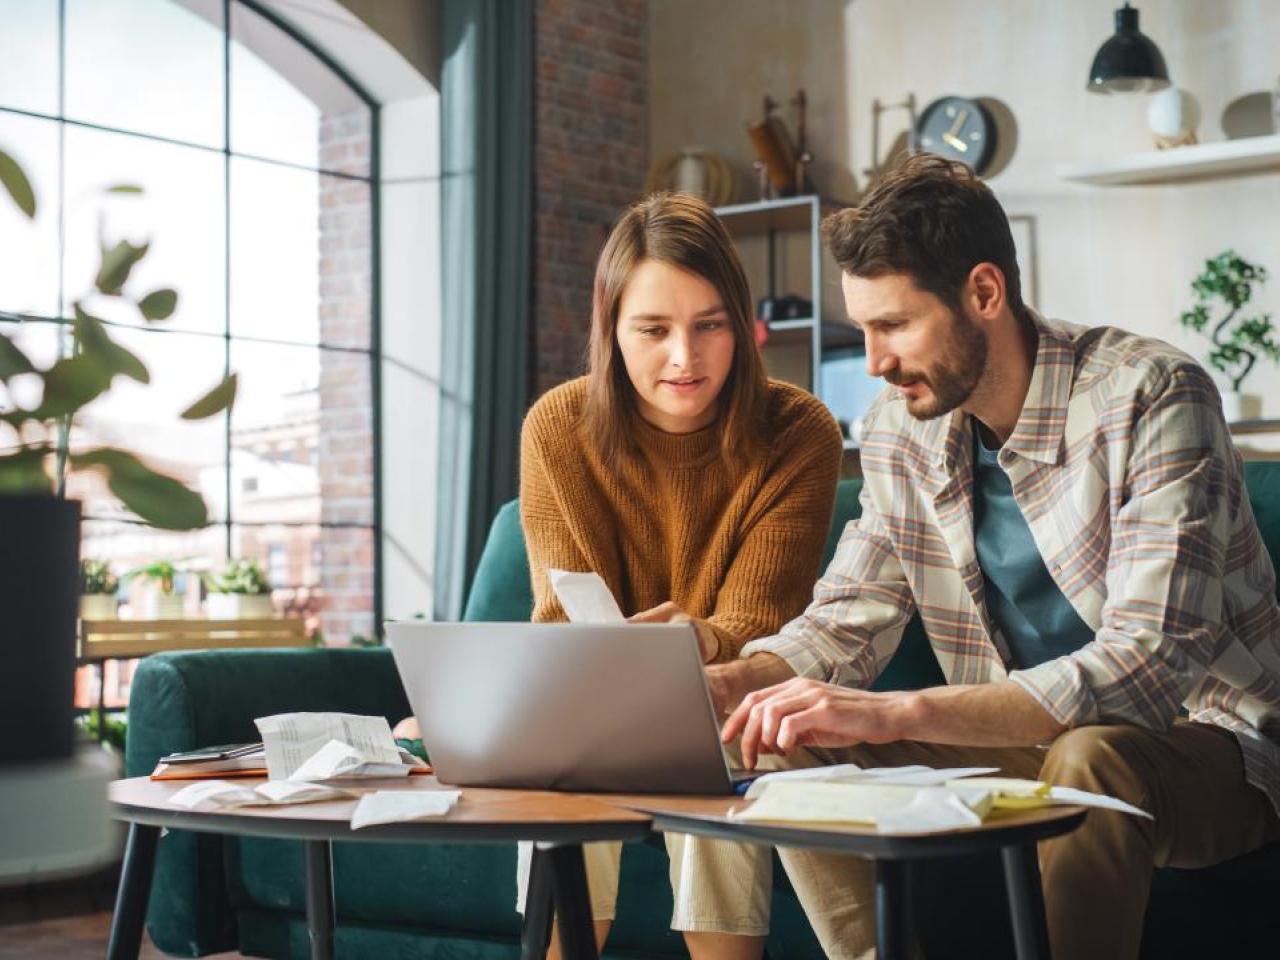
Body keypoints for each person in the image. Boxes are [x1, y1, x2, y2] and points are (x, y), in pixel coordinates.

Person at [706, 154, 1280, 960]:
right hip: (1017, 741)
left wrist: (903, 710)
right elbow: (846, 620)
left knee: (1091, 757)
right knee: (777, 731)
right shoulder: (897, 430)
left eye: (894, 326)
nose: (872, 361)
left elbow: (1150, 665)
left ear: (984, 292)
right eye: (863, 329)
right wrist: (735, 682)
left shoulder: (1152, 393)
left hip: (1208, 742)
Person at [405, 191, 843, 959]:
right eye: (654, 330)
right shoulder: (558, 426)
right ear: (611, 330)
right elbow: (561, 622)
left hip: (732, 699)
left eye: (710, 325)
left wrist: (700, 640)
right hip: (591, 706)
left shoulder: (798, 429)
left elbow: (761, 624)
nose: (685, 356)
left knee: (719, 740)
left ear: (743, 328)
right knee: (568, 757)